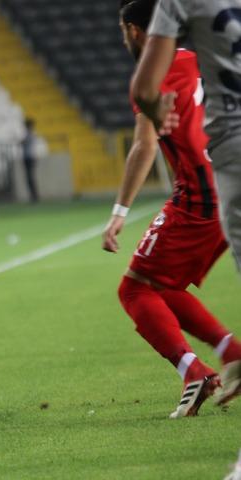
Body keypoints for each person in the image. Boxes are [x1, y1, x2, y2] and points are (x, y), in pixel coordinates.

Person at [106, 0, 241, 417]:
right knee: (162, 284)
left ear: (134, 30)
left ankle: (194, 372)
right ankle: (231, 352)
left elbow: (145, 144)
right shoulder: (209, 53)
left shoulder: (155, 70)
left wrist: (119, 210)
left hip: (200, 198)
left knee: (134, 289)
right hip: (230, 181)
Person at [21, 118, 41, 203]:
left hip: (29, 157)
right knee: (30, 177)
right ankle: (34, 196)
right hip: (31, 157)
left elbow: (23, 142)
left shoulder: (30, 134)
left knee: (30, 177)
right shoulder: (31, 134)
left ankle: (34, 196)